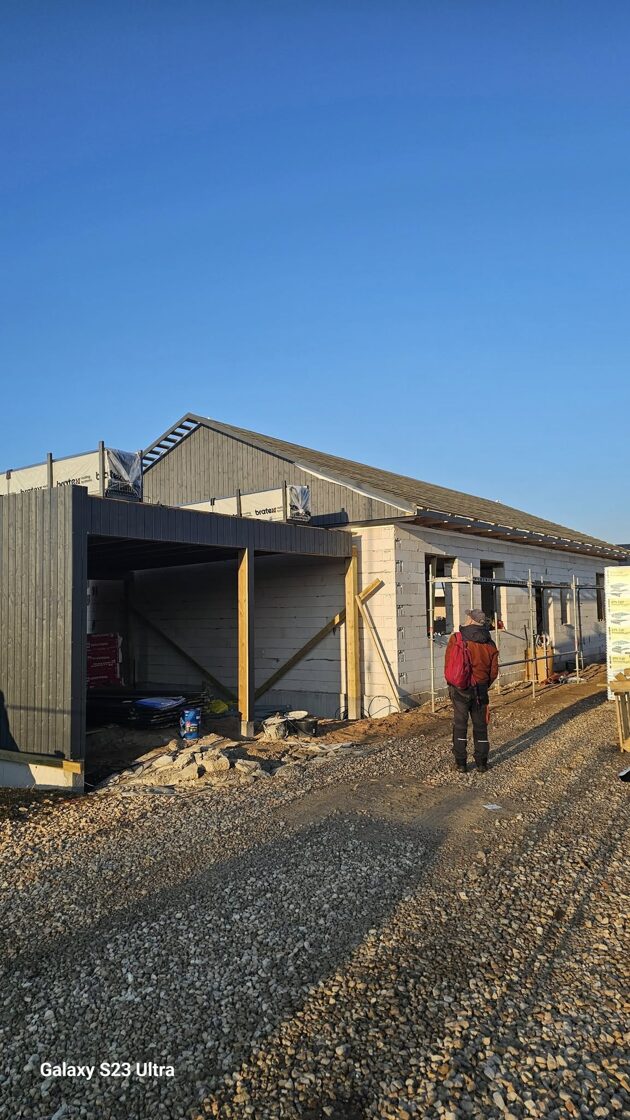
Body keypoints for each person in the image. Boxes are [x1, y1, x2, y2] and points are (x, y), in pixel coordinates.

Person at [445, 608, 499, 774]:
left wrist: (453, 683)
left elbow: (448, 664)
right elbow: (494, 671)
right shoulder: (490, 643)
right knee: (480, 726)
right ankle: (482, 763)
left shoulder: (457, 638)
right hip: (480, 689)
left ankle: (461, 763)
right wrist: (484, 684)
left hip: (460, 689)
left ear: (470, 620)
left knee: (460, 724)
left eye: (468, 616)